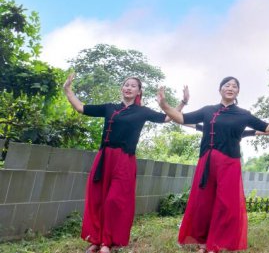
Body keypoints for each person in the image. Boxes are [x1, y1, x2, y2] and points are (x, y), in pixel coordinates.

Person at [157, 76, 269, 253]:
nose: (230, 88)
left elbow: (265, 126)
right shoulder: (208, 110)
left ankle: (215, 244)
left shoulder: (243, 114)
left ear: (238, 92)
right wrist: (164, 105)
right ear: (220, 89)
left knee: (225, 204)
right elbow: (181, 118)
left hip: (229, 163)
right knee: (203, 202)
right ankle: (203, 243)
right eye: (227, 85)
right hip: (206, 162)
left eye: (234, 86)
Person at [63, 71, 189, 253]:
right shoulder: (109, 108)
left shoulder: (142, 111)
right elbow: (81, 108)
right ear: (122, 88)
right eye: (126, 85)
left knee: (114, 200)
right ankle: (97, 240)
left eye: (133, 86)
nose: (129, 88)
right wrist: (68, 89)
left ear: (139, 92)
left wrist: (183, 102)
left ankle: (107, 242)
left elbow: (168, 118)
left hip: (124, 160)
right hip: (104, 157)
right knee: (98, 199)